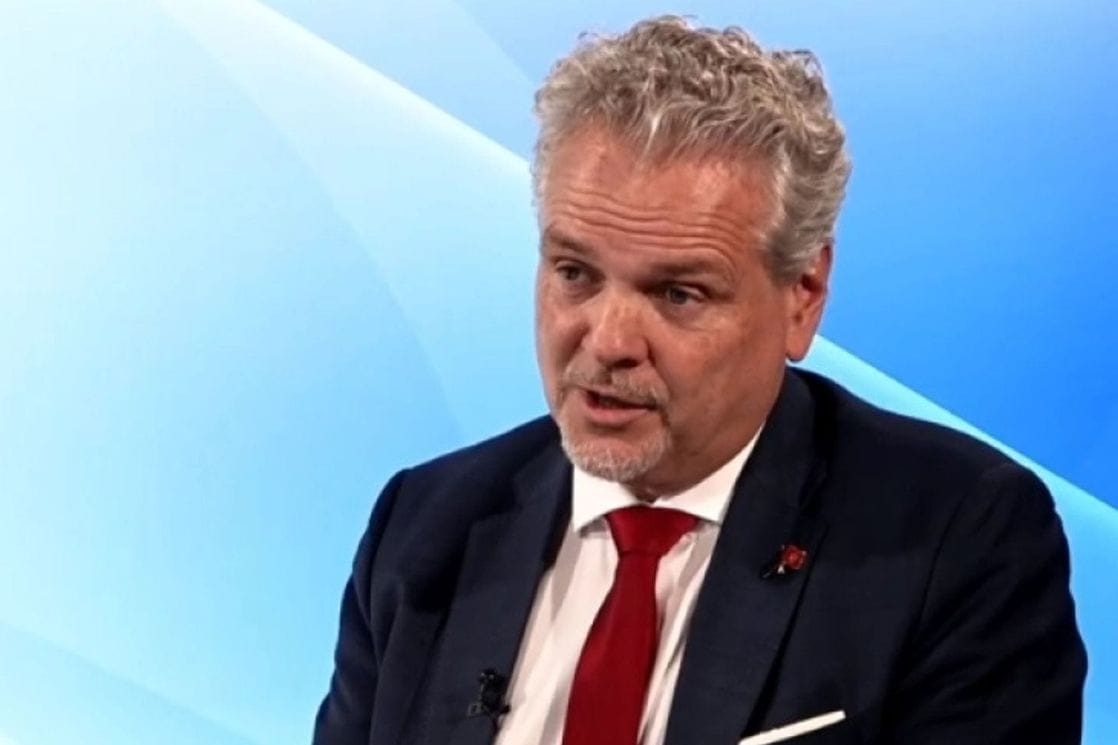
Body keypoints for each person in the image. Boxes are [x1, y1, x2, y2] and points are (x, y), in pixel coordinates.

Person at [312, 16, 1086, 745]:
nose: (609, 342)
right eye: (575, 273)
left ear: (803, 294)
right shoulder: (425, 526)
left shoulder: (955, 543)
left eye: (678, 293)